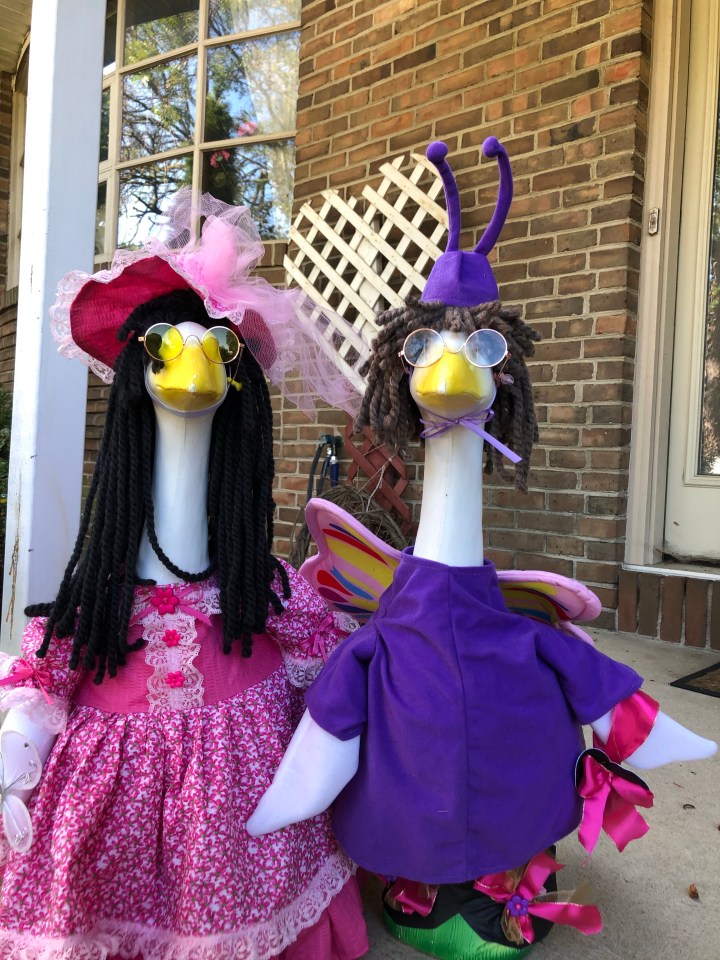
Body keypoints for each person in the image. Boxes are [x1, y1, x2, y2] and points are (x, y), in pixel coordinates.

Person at [0, 192, 369, 960]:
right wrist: (16, 742)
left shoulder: (262, 594)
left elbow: (328, 675)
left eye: (218, 347)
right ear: (139, 367)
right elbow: (46, 678)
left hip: (245, 831)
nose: (193, 360)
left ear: (239, 383)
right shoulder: (99, 604)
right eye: (167, 343)